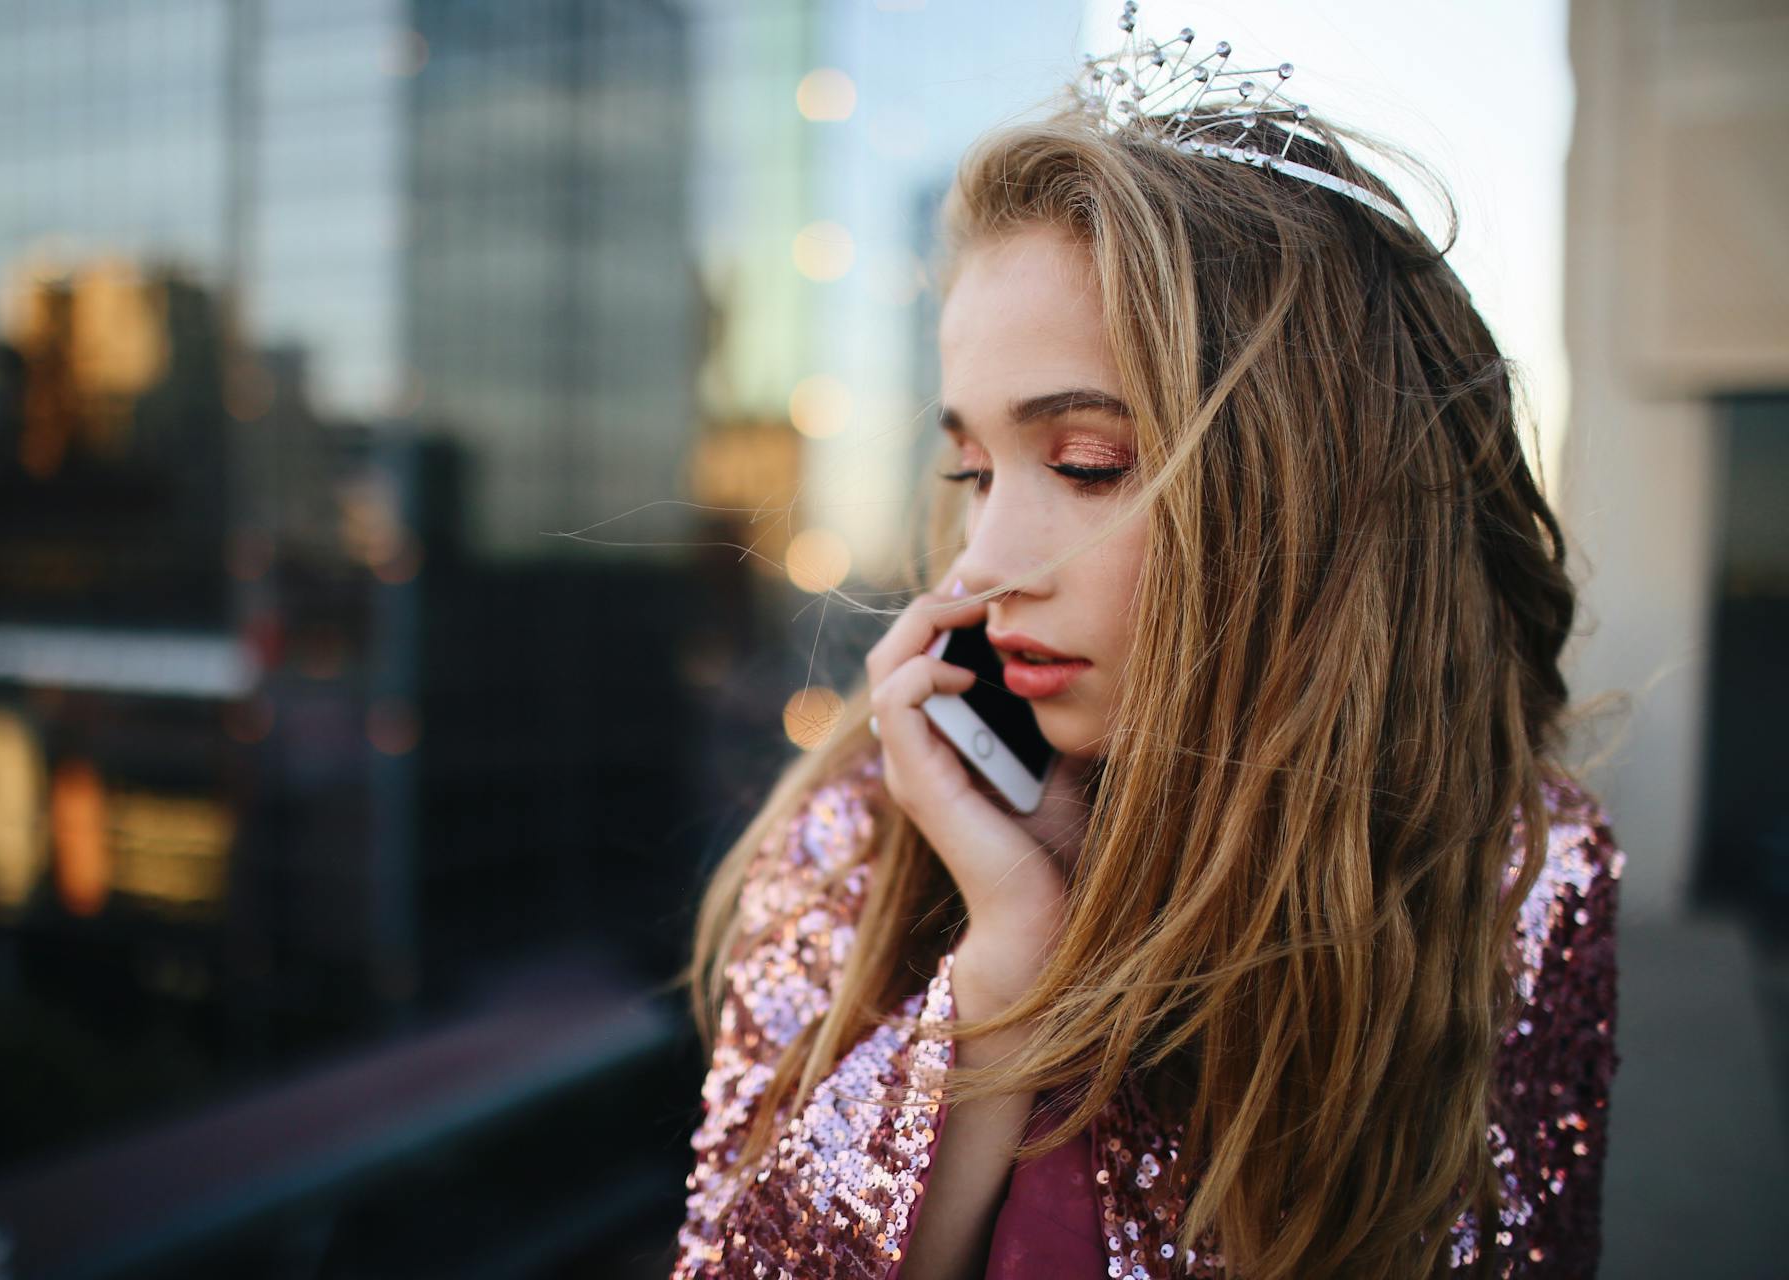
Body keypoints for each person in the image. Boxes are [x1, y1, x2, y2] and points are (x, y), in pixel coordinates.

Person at [669, 16, 1622, 1280]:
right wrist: (1006, 961)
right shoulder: (872, 834)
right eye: (971, 468)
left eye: (1086, 463)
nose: (980, 563)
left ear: (1317, 495)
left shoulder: (1518, 870)